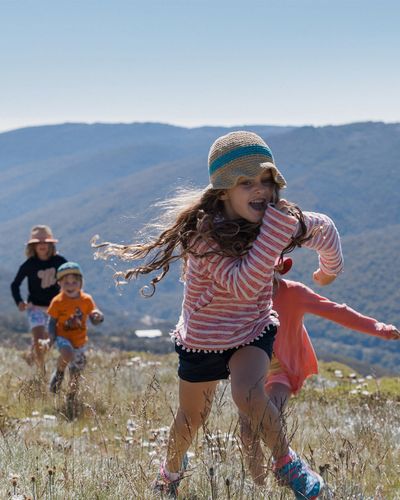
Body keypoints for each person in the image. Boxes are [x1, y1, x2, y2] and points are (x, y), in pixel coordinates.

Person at [93, 130, 344, 499]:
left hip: (251, 332)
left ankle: (288, 465)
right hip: (202, 342)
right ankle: (170, 473)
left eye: (266, 180)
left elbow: (323, 229)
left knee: (249, 394)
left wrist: (329, 269)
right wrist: (274, 236)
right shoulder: (203, 237)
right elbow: (242, 284)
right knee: (191, 419)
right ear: (224, 191)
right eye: (246, 183)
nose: (261, 190)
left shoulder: (277, 219)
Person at [240, 257, 400, 485]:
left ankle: (287, 469)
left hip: (282, 370)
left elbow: (337, 312)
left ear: (277, 268)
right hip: (249, 370)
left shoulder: (293, 293)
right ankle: (260, 487)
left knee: (267, 416)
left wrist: (380, 329)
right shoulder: (239, 294)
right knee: (246, 430)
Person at [11, 225, 67, 375]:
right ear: (33, 246)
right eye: (38, 243)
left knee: (47, 343)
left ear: (50, 244)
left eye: (45, 242)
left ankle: (31, 355)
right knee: (38, 341)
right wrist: (19, 302)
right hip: (34, 307)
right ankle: (41, 375)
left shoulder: (59, 262)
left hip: (54, 309)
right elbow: (15, 284)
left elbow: (71, 276)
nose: (42, 245)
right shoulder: (29, 264)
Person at [47, 262, 104, 405]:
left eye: (74, 282)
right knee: (67, 354)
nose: (70, 286)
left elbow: (94, 317)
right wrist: (52, 338)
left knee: (76, 371)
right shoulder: (58, 301)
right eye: (66, 283)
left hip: (79, 341)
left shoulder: (86, 300)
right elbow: (52, 321)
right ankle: (59, 373)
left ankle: (71, 398)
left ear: (81, 282)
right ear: (59, 283)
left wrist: (98, 316)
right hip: (63, 337)